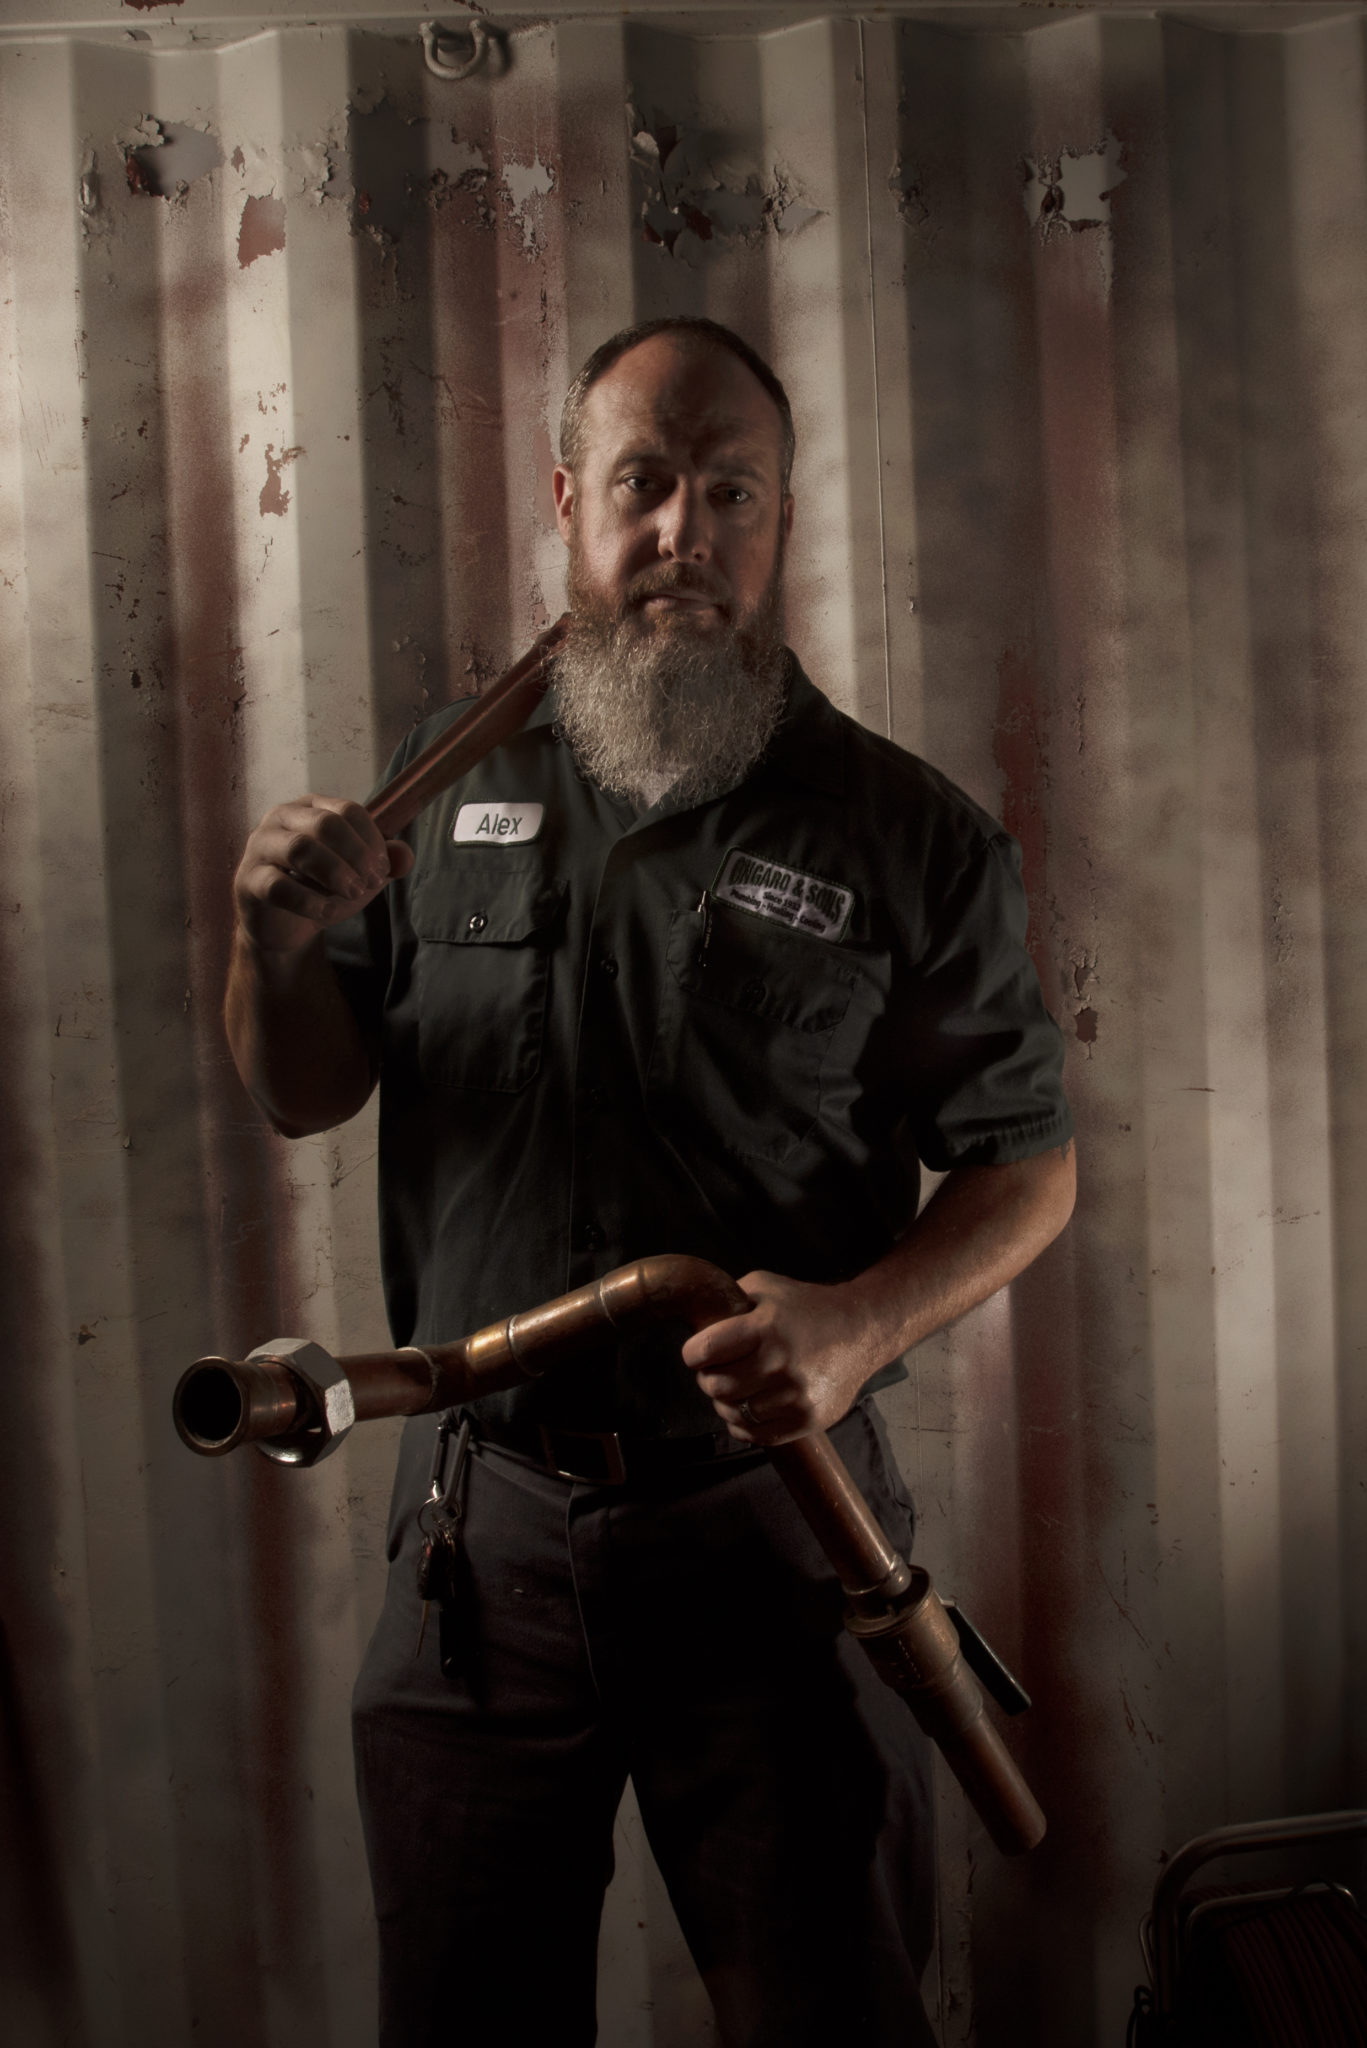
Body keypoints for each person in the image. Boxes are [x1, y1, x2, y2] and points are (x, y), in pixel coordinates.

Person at [225, 317, 1075, 2048]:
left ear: (779, 521)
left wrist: (852, 1328)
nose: (683, 528)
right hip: (478, 1545)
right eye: (644, 482)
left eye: (729, 491)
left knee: (828, 2015)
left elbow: (1027, 1165)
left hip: (775, 1541)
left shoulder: (904, 834)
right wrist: (268, 939)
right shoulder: (434, 786)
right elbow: (305, 1090)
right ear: (568, 501)